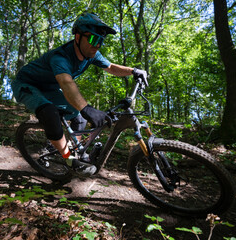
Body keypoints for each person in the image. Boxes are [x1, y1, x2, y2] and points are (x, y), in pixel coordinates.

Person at [11, 12, 147, 177]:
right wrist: (87, 108)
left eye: (100, 41)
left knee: (79, 117)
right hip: (27, 84)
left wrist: (134, 71)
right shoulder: (60, 57)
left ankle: (73, 151)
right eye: (93, 39)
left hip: (49, 87)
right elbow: (66, 83)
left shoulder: (91, 54)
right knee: (49, 112)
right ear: (77, 36)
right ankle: (69, 159)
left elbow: (110, 67)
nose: (97, 45)